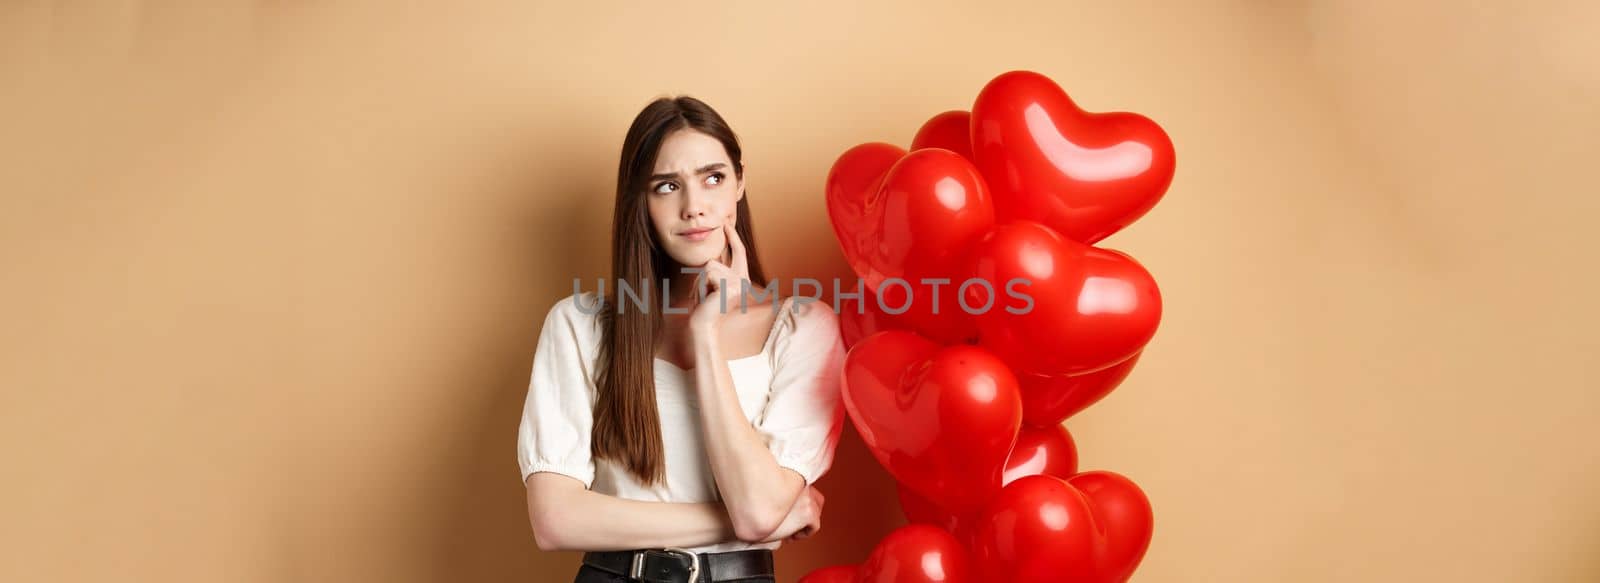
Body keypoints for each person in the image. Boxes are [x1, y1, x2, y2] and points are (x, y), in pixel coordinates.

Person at [517, 95, 847, 583]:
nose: (694, 208)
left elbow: (757, 514)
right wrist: (743, 520)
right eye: (667, 186)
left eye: (713, 178)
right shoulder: (580, 324)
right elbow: (554, 520)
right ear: (641, 202)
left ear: (739, 182)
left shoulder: (802, 327)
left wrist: (706, 336)